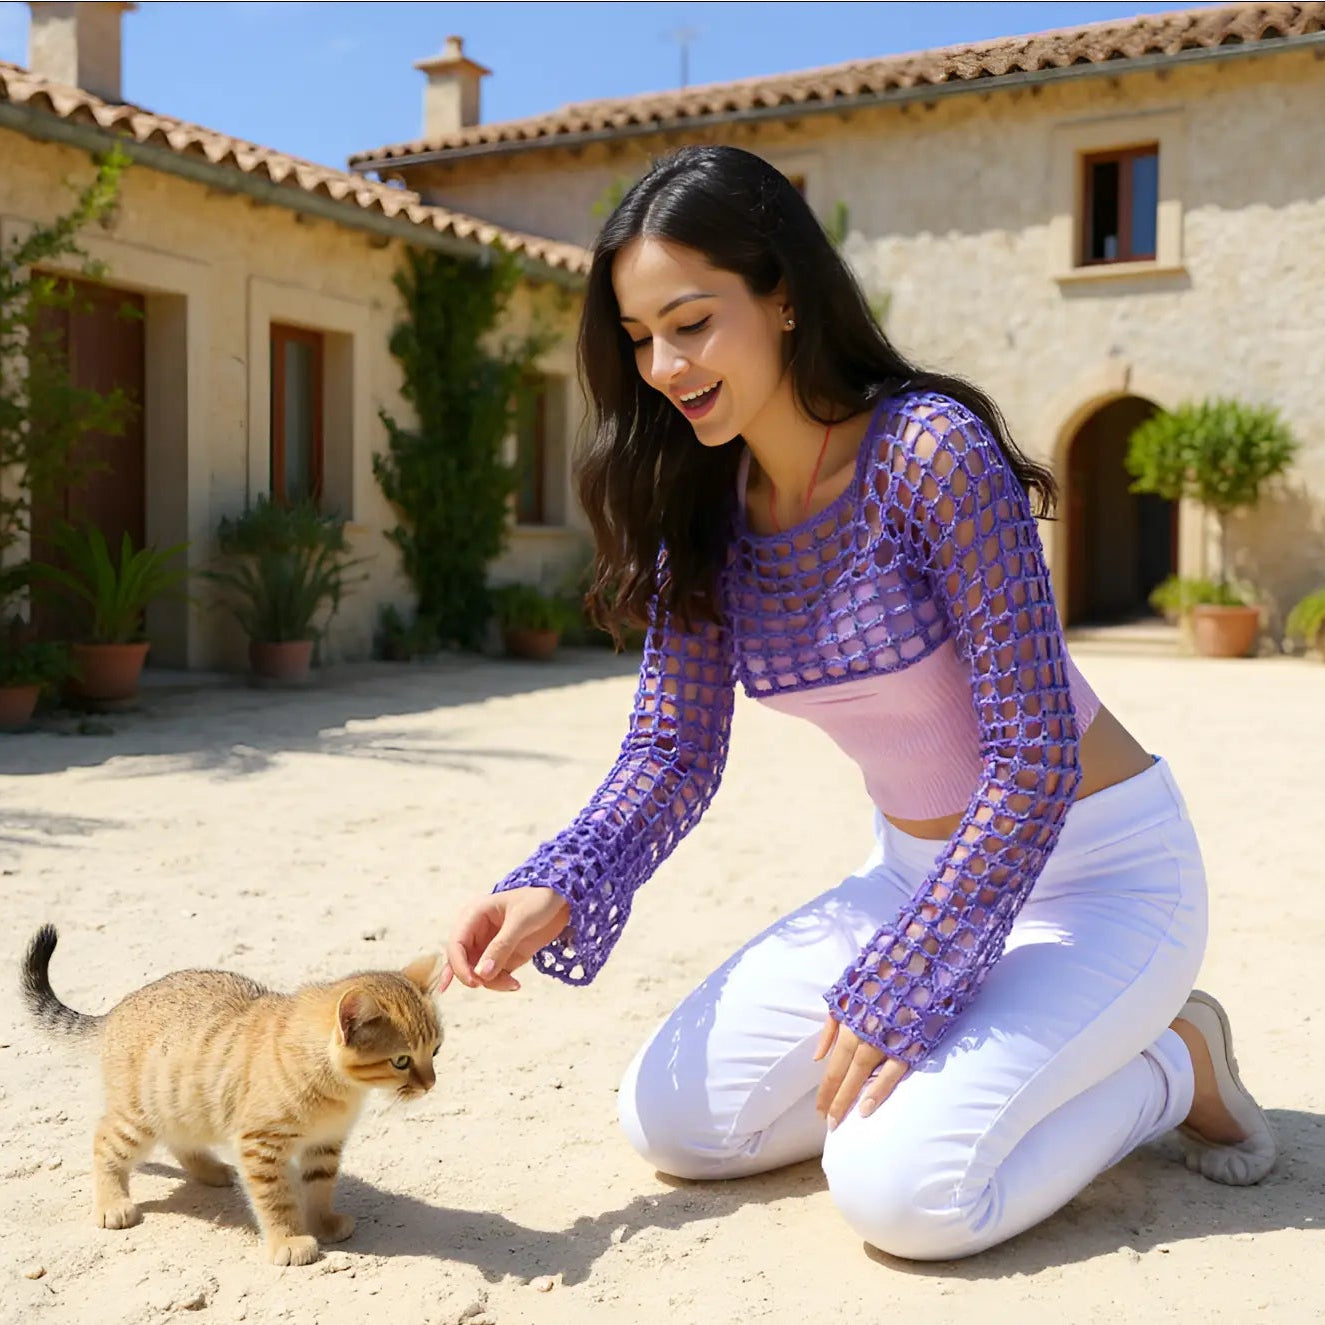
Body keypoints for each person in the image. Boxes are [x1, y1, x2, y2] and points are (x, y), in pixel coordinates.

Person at [440, 144, 1275, 1260]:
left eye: (691, 322)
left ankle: (1176, 1060)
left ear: (782, 296)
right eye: (638, 337)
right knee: (673, 1122)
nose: (664, 365)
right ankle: (1011, 1043)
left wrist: (911, 974)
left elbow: (1033, 754)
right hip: (910, 874)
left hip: (1098, 877)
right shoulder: (704, 503)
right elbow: (672, 750)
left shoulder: (927, 452)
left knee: (902, 1196)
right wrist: (561, 880)